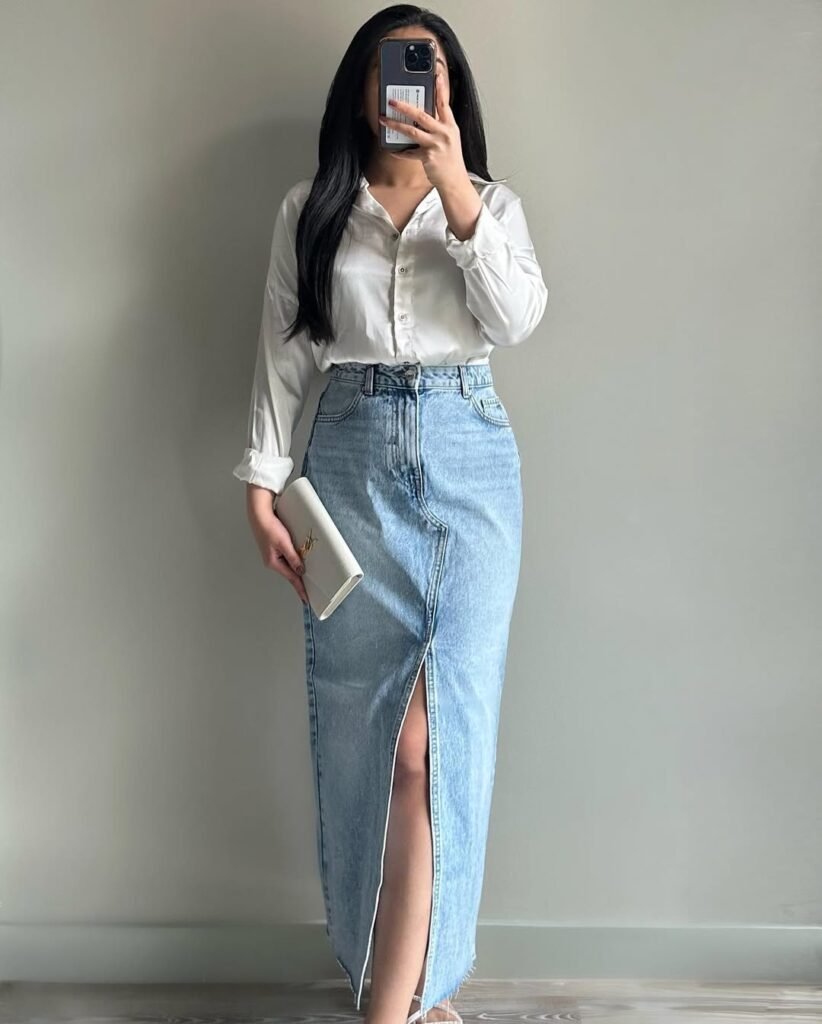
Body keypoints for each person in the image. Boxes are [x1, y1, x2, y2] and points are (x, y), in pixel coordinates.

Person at [233, 8, 548, 1024]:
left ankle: (392, 1005)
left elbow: (517, 320)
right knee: (368, 739)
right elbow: (286, 352)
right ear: (358, 89)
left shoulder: (490, 204)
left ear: (450, 88)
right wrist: (260, 480)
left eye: (426, 67)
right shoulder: (312, 208)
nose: (405, 85)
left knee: (439, 739)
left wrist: (456, 187)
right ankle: (406, 992)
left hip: (468, 467)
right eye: (388, 68)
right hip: (350, 463)